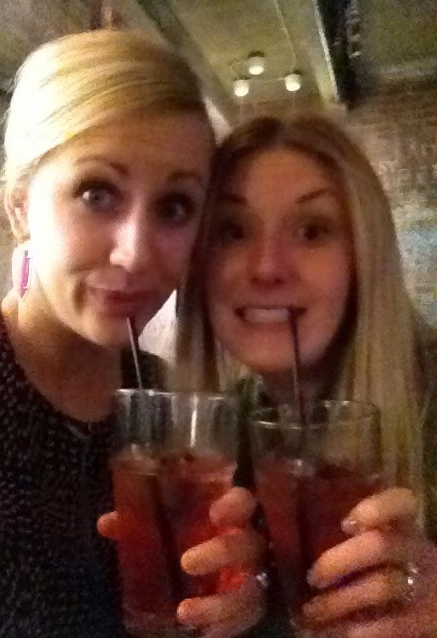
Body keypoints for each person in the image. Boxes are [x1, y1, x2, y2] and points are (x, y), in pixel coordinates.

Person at [0, 29, 265, 638]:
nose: (136, 253)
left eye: (174, 206)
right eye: (96, 193)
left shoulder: (166, 404)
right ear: (20, 206)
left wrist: (241, 594)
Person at [176, 113, 437, 637]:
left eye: (312, 231)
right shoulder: (224, 443)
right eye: (232, 231)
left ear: (362, 258)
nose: (267, 267)